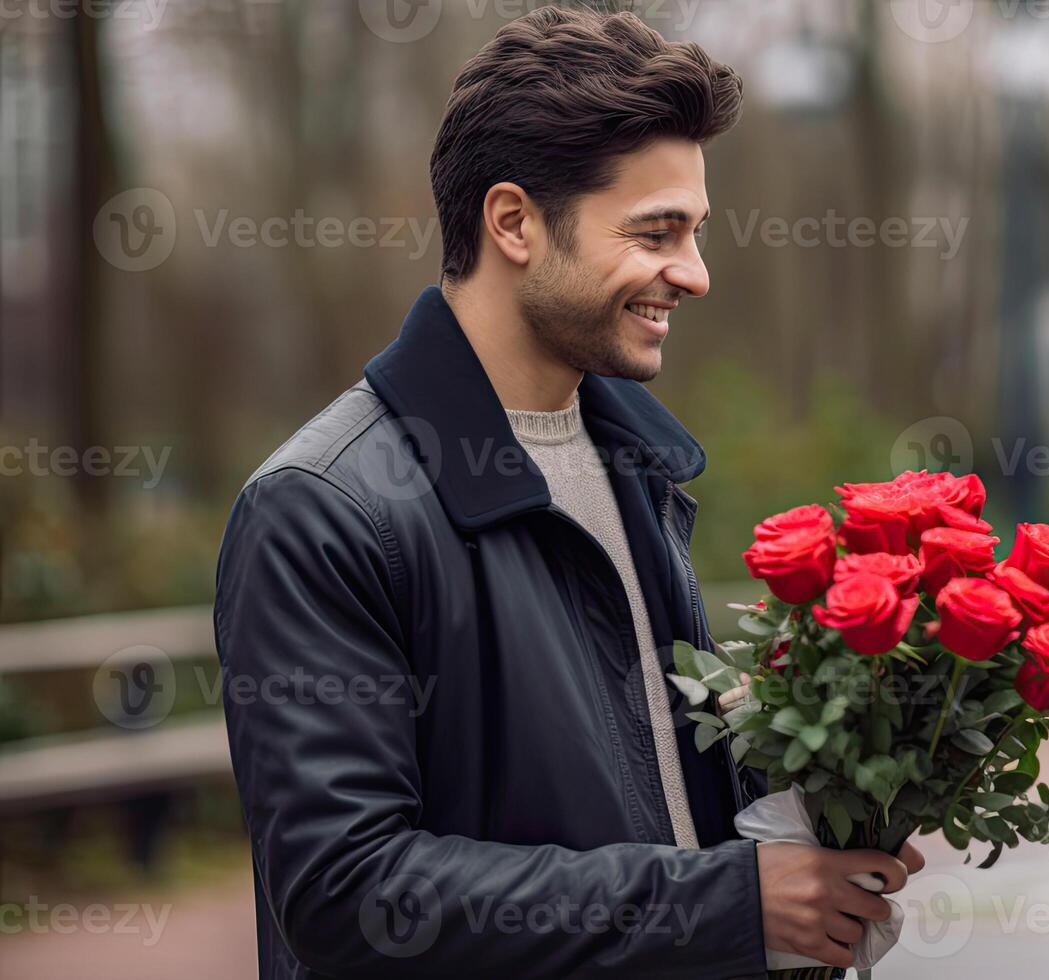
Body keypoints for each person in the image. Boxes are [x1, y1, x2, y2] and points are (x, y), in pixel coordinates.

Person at [215, 9, 917, 978]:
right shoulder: (320, 510)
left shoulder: (639, 467)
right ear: (513, 222)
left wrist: (827, 802)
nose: (696, 274)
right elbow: (350, 893)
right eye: (655, 232)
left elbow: (647, 795)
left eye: (696, 232)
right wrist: (732, 903)